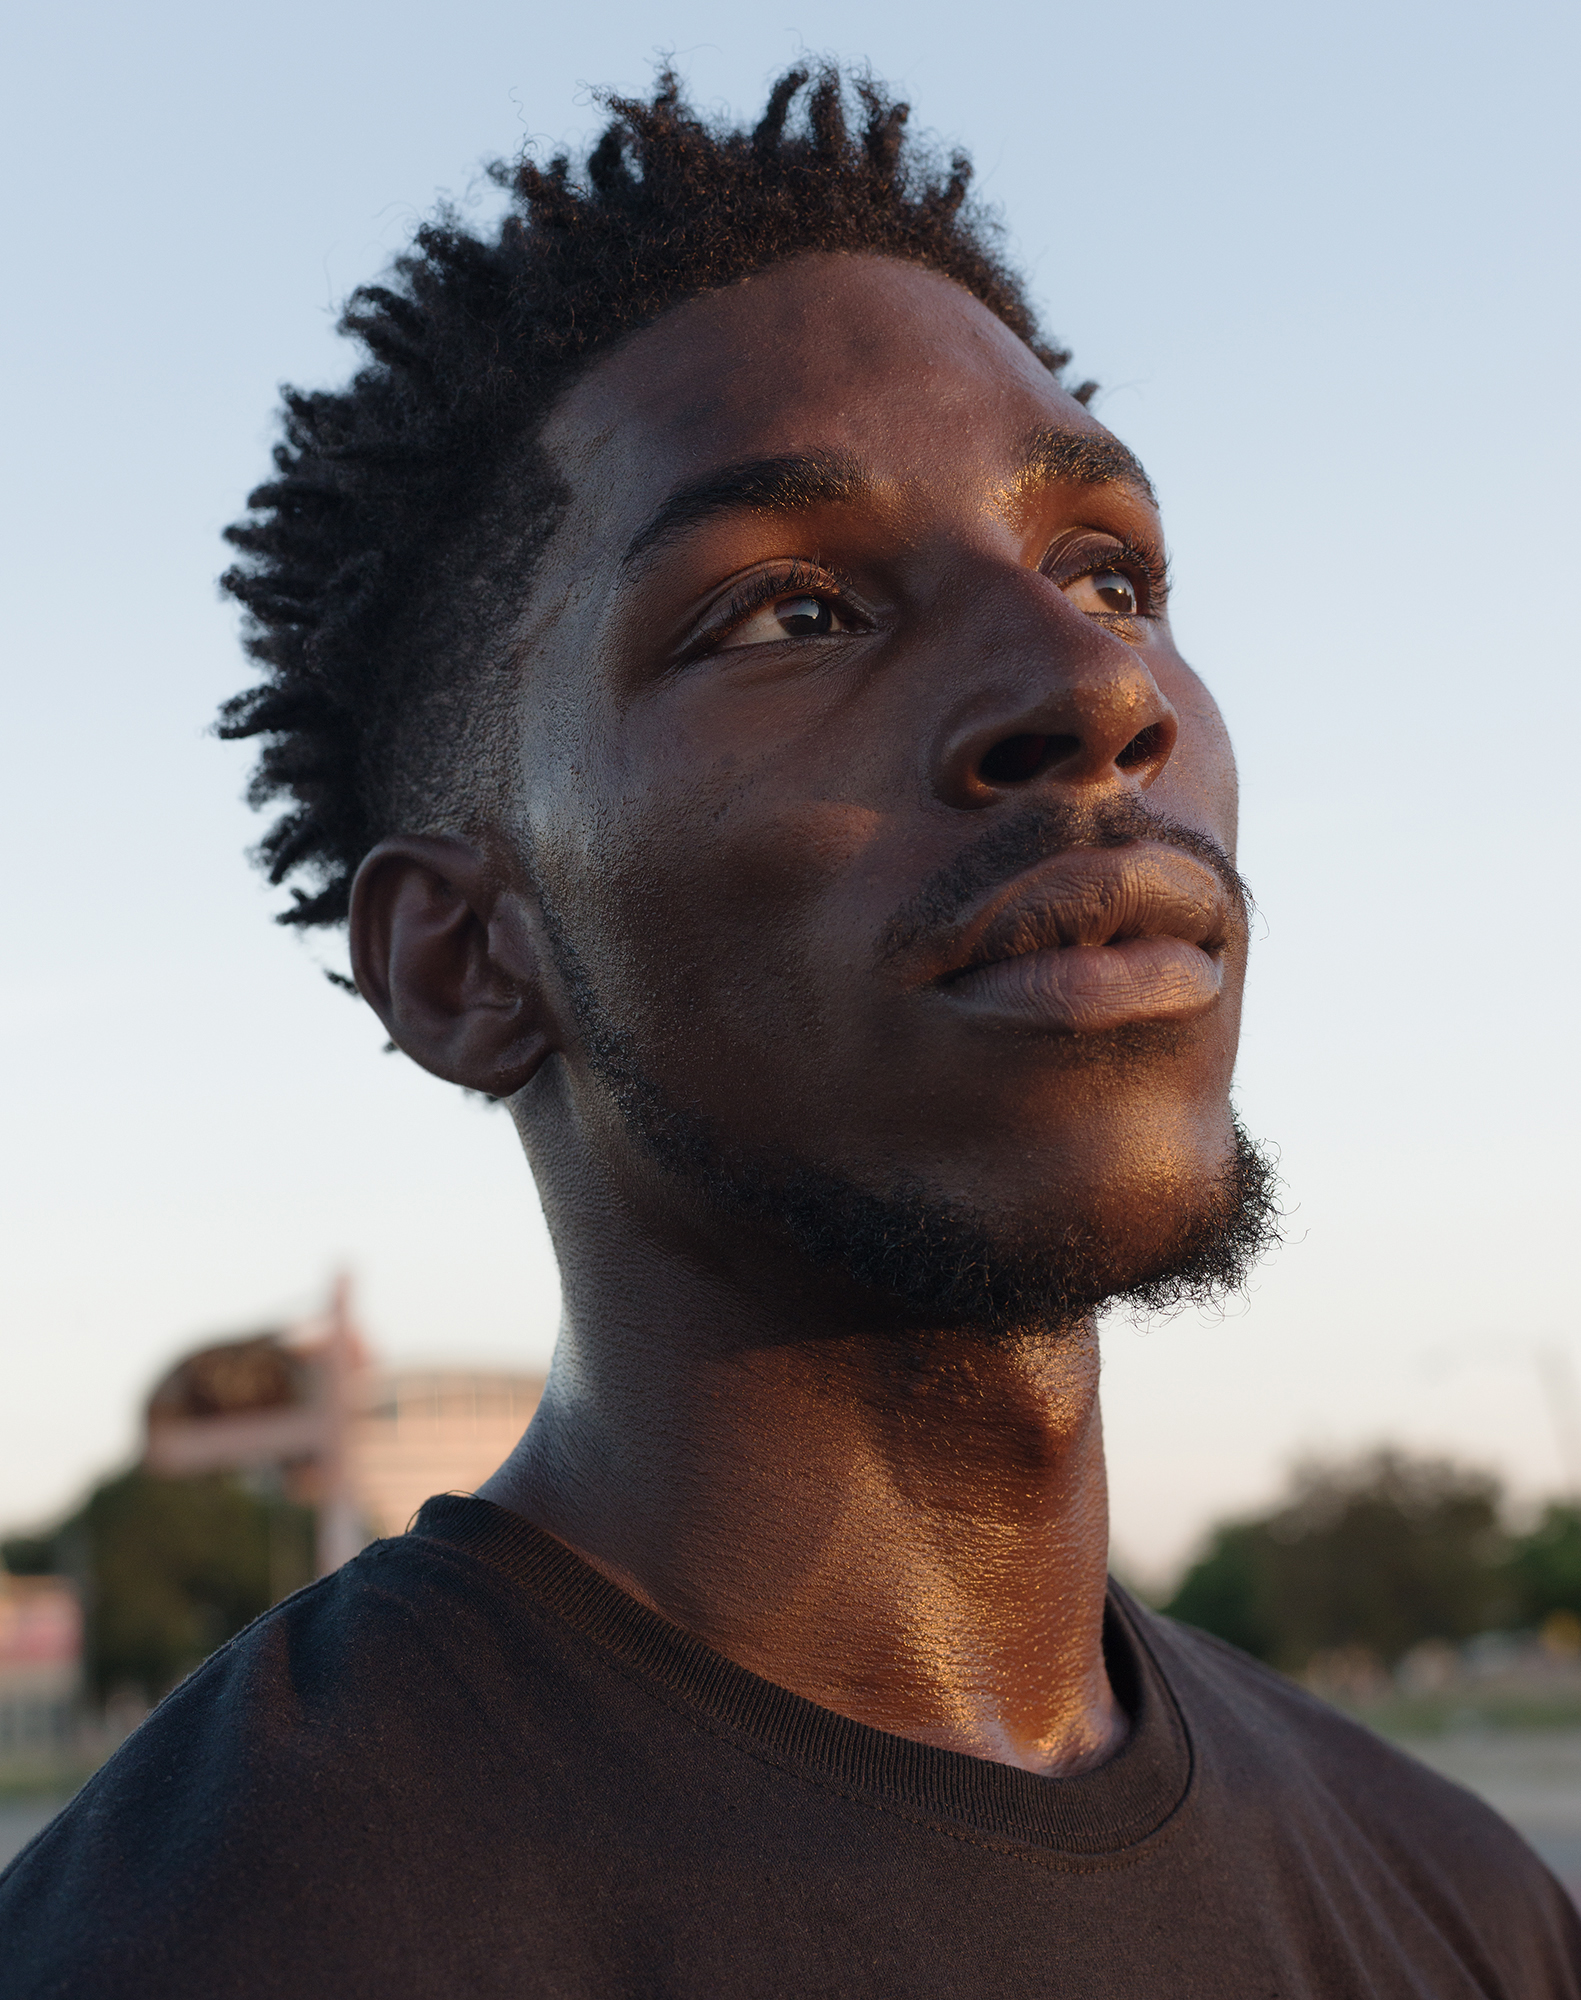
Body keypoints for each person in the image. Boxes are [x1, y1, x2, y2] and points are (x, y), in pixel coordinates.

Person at [2, 66, 1574, 1998]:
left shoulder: (1466, 1907)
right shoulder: (225, 1935)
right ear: (466, 962)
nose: (1094, 685)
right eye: (790, 615)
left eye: (1109, 572)